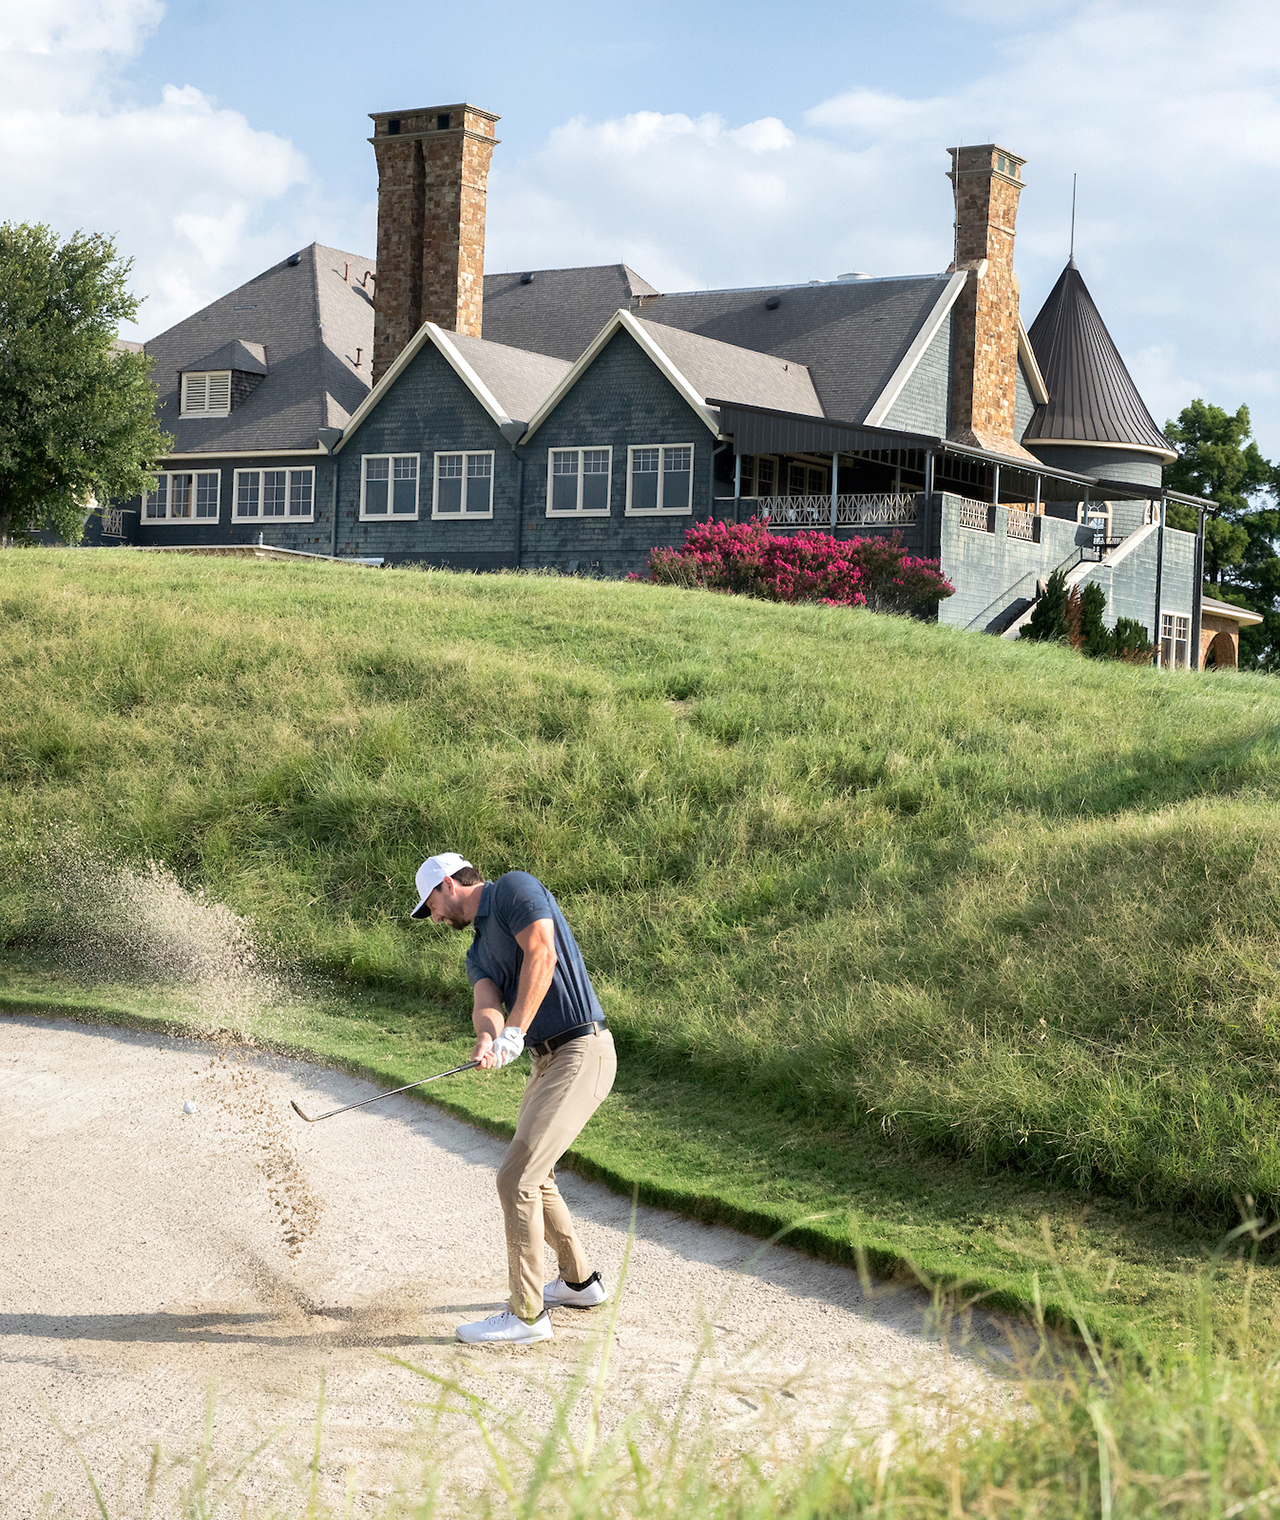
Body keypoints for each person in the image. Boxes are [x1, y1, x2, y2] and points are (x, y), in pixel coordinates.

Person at [410, 852, 617, 1345]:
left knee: (515, 1178)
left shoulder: (513, 890)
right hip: (547, 1060)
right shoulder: (477, 951)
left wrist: (516, 1029)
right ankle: (579, 1283)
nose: (434, 918)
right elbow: (486, 1005)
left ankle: (527, 1316)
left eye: (430, 906)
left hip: (581, 1049)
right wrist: (489, 1038)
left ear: (447, 884)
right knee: (535, 1176)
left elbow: (542, 953)